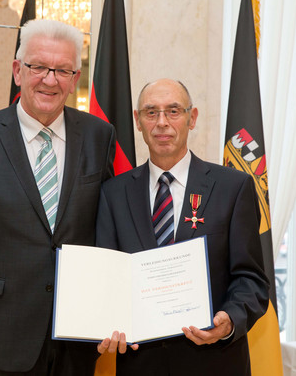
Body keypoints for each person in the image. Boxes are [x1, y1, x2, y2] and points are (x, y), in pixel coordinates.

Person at [0, 19, 116, 376]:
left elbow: (107, 234)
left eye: (63, 70)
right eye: (39, 67)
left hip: (78, 340)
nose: (50, 80)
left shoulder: (100, 136)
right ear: (18, 71)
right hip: (0, 340)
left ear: (75, 78)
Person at [95, 78, 269, 375]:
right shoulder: (113, 193)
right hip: (140, 364)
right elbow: (106, 278)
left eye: (173, 111)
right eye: (151, 112)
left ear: (192, 118)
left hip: (214, 361)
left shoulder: (233, 187)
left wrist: (229, 319)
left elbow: (251, 279)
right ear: (138, 121)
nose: (162, 122)